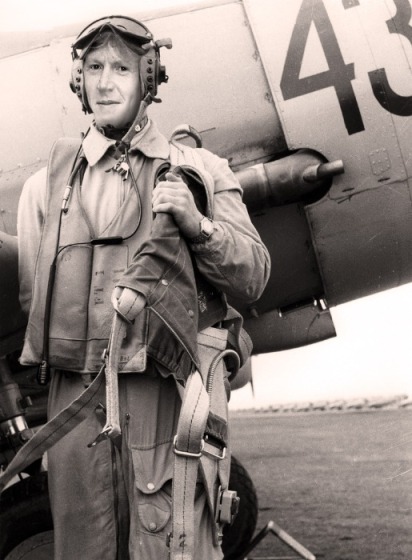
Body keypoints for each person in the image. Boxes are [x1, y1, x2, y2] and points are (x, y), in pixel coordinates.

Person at [16, 15, 270, 560]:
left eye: (121, 69)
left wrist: (198, 226)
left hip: (166, 400)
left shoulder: (199, 171)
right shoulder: (44, 189)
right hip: (75, 411)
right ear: (78, 80)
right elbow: (32, 300)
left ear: (148, 78)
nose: (105, 82)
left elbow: (252, 276)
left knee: (170, 545)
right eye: (94, 68)